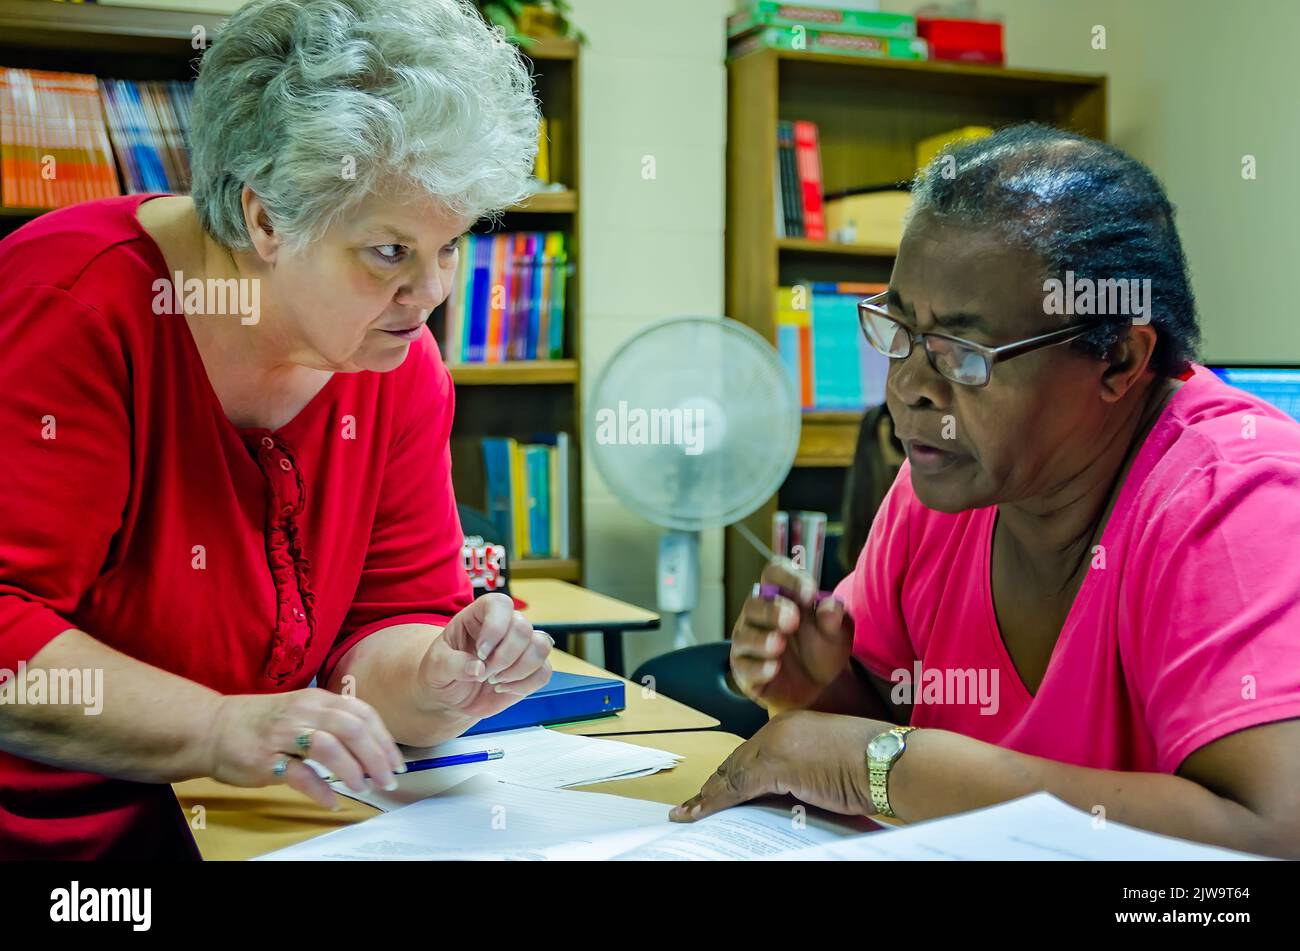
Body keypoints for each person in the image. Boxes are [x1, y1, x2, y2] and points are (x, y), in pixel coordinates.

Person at [0, 0, 551, 858]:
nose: (433, 292)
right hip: (56, 845)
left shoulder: (395, 362)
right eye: (390, 251)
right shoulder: (75, 310)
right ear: (264, 219)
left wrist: (438, 678)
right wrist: (220, 727)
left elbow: (386, 618)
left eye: (452, 245)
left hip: (260, 830)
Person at [676, 124, 1300, 858]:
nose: (906, 387)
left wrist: (871, 762)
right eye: (899, 328)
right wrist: (820, 692)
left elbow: (1271, 834)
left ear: (1119, 359)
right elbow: (883, 730)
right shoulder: (939, 487)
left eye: (962, 353)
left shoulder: (1234, 499)